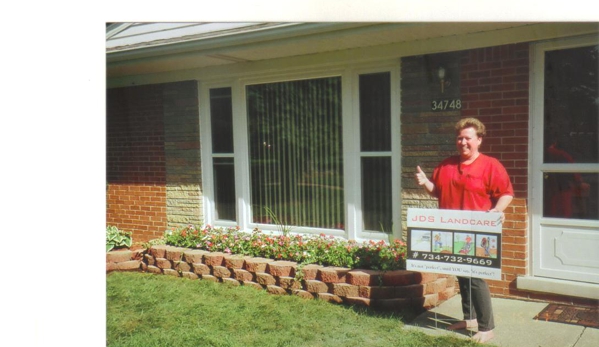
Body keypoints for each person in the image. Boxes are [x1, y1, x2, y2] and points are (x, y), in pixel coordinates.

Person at [415, 117, 514, 344]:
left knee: (476, 277)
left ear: (479, 140)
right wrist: (425, 183)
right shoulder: (446, 165)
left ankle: (487, 327)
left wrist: (497, 210)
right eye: (459, 138)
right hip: (451, 230)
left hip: (478, 232)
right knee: (462, 274)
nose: (463, 142)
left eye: (468, 138)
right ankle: (470, 319)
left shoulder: (491, 165)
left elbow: (506, 193)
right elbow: (438, 191)